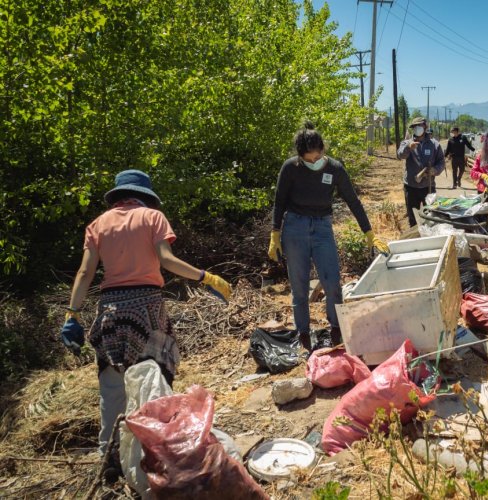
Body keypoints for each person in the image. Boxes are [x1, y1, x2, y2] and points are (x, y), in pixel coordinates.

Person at [59, 170, 232, 453]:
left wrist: (72, 314)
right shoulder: (153, 217)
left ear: (118, 196)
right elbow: (167, 259)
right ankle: (153, 454)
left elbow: (85, 271)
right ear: (145, 197)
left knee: (112, 389)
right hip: (147, 310)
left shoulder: (97, 225)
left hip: (110, 313)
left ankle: (110, 456)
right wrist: (205, 277)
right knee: (153, 385)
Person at [268, 122, 388, 346]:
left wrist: (369, 232)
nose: (313, 162)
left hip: (322, 228)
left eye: (316, 157)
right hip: (295, 228)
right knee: (299, 287)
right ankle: (303, 334)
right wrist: (275, 233)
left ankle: (336, 328)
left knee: (332, 282)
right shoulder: (290, 168)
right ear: (300, 156)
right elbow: (279, 201)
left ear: (323, 150)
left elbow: (353, 201)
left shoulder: (334, 169)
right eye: (308, 159)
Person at [397, 117, 445, 226]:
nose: (417, 129)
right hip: (411, 187)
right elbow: (400, 155)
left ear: (425, 127)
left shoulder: (434, 144)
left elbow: (441, 162)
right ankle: (414, 239)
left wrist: (435, 170)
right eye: (415, 127)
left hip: (428, 187)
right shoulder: (407, 143)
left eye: (420, 126)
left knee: (431, 217)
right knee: (412, 218)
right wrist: (408, 148)